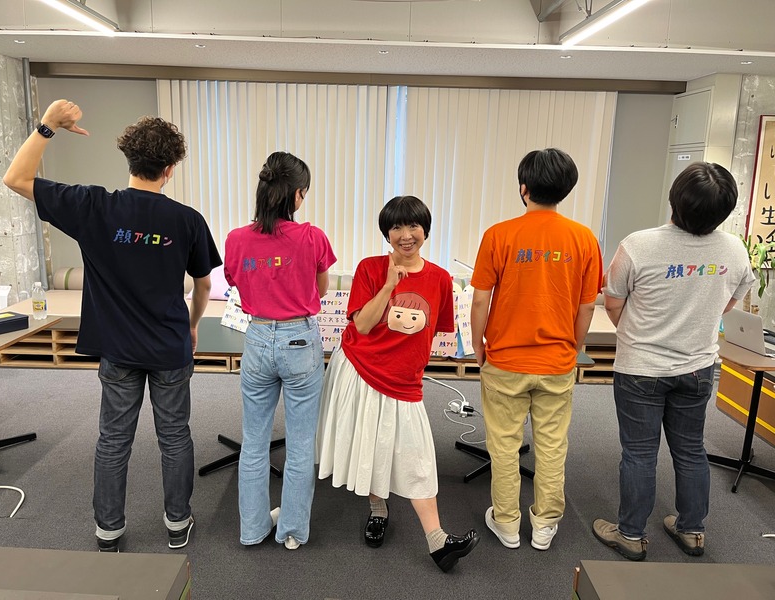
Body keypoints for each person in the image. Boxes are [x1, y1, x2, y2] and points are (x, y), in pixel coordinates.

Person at [2, 99, 222, 552]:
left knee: (113, 440)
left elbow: (16, 179)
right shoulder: (187, 220)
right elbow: (203, 286)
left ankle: (108, 531)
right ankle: (177, 523)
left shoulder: (93, 206)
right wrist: (193, 325)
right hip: (169, 348)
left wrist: (48, 126)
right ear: (170, 169)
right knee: (175, 437)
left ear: (130, 160)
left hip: (118, 350)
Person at [592, 162, 755, 561]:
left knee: (639, 453)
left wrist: (637, 333)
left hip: (640, 368)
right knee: (691, 449)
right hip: (698, 367)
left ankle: (630, 535)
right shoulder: (734, 249)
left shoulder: (639, 245)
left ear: (674, 199)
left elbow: (612, 302)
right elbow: (729, 302)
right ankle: (692, 530)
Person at [316, 195, 480, 573]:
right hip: (360, 369)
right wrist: (390, 285)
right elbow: (362, 325)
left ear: (426, 230)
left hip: (404, 381)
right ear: (386, 233)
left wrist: (411, 366)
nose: (406, 235)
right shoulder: (371, 268)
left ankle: (437, 540)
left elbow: (433, 332)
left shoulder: (440, 278)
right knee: (371, 445)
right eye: (396, 227)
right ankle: (379, 511)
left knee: (416, 455)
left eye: (413, 226)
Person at [470, 148, 602, 551]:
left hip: (506, 359)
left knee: (503, 446)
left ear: (523, 188)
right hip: (557, 362)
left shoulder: (499, 235)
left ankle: (507, 524)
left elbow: (480, 300)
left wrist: (477, 345)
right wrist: (573, 348)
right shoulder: (584, 238)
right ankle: (545, 525)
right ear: (566, 190)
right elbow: (587, 306)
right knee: (552, 446)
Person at [224, 151, 336, 551]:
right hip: (300, 340)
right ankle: (291, 532)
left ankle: (253, 529)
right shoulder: (312, 237)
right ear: (298, 194)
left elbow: (236, 284)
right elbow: (321, 289)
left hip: (257, 338)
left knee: (253, 441)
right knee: (301, 443)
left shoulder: (237, 239)